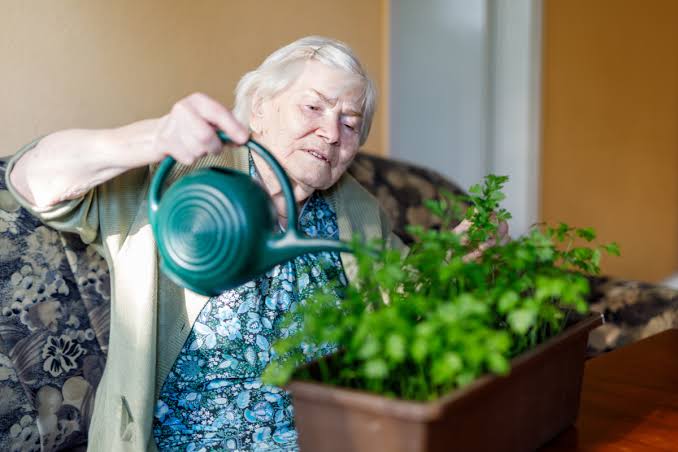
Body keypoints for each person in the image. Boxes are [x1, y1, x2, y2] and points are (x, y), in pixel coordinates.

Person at [6, 36, 506, 451]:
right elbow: (32, 180)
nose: (332, 133)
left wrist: (448, 266)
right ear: (260, 109)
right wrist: (154, 136)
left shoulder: (356, 208)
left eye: (351, 123)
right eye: (313, 107)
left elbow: (399, 302)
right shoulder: (184, 180)